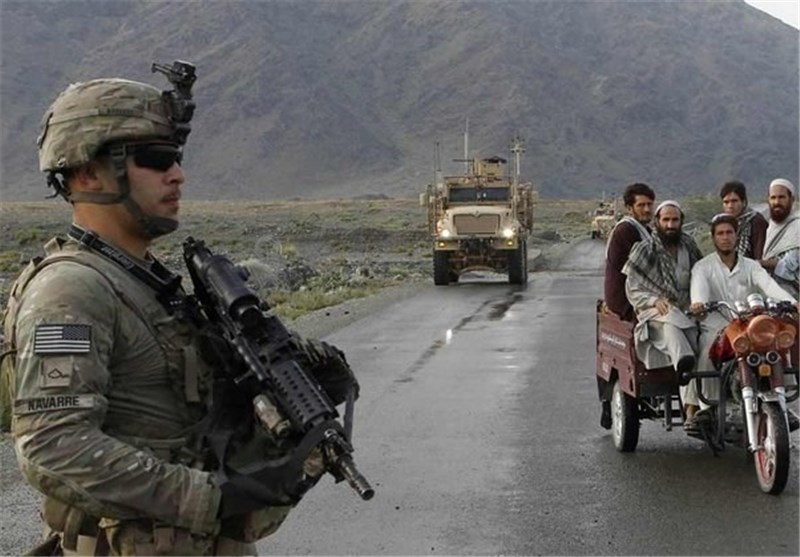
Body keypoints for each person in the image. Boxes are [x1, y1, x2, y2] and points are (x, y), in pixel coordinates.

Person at [3, 68, 358, 556]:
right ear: (86, 172)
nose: (177, 174)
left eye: (177, 158)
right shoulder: (72, 291)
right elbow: (53, 447)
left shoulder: (142, 279)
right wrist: (210, 498)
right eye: (155, 159)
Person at [690, 213, 796, 424]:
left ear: (736, 236)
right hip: (717, 324)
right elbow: (699, 294)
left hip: (748, 324)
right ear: (713, 238)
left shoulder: (751, 266)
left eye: (729, 232)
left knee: (776, 342)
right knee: (705, 352)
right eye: (720, 233)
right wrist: (699, 304)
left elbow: (769, 286)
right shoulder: (702, 267)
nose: (725, 237)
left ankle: (782, 398)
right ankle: (707, 407)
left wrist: (792, 302)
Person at [623, 201, 703, 430]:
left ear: (681, 221)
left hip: (686, 311)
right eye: (665, 220)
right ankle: (691, 408)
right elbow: (632, 288)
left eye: (674, 220)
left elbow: (701, 277)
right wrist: (653, 300)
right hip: (654, 313)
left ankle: (685, 364)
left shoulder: (689, 246)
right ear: (657, 222)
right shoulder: (644, 249)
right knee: (670, 325)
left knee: (683, 333)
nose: (670, 225)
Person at [604, 182, 655, 321]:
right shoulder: (626, 230)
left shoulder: (645, 230)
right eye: (641, 205)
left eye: (649, 204)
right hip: (625, 300)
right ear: (629, 208)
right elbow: (647, 269)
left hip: (638, 295)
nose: (647, 209)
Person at [760, 178, 799, 299]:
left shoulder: (797, 226)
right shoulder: (769, 228)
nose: (777, 202)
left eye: (781, 197)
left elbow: (789, 266)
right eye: (773, 198)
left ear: (791, 199)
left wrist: (759, 263)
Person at [719, 180, 768, 259]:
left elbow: (760, 255)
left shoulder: (756, 221)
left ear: (743, 201)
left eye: (734, 201)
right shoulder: (725, 224)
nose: (730, 206)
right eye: (726, 202)